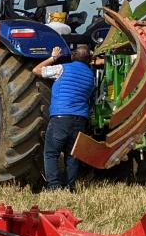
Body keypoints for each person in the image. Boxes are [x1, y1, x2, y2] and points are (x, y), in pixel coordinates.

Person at [33, 44, 102, 191]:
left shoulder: (62, 68)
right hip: (80, 120)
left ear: (73, 56)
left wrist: (53, 58)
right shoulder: (91, 76)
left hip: (60, 117)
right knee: (72, 155)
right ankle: (70, 187)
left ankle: (54, 187)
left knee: (51, 153)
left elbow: (36, 70)